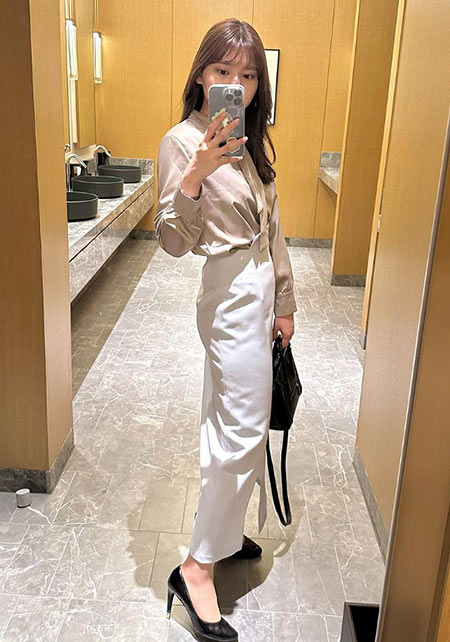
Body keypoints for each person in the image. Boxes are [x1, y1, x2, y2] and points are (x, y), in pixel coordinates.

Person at [154, 17, 297, 641]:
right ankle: (196, 568)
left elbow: (273, 225)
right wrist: (195, 174)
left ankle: (224, 533)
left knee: (233, 421)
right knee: (240, 430)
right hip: (228, 290)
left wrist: (284, 300)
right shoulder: (182, 141)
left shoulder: (251, 141)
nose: (236, 84)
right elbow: (172, 241)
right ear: (201, 75)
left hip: (261, 285)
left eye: (248, 75)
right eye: (223, 71)